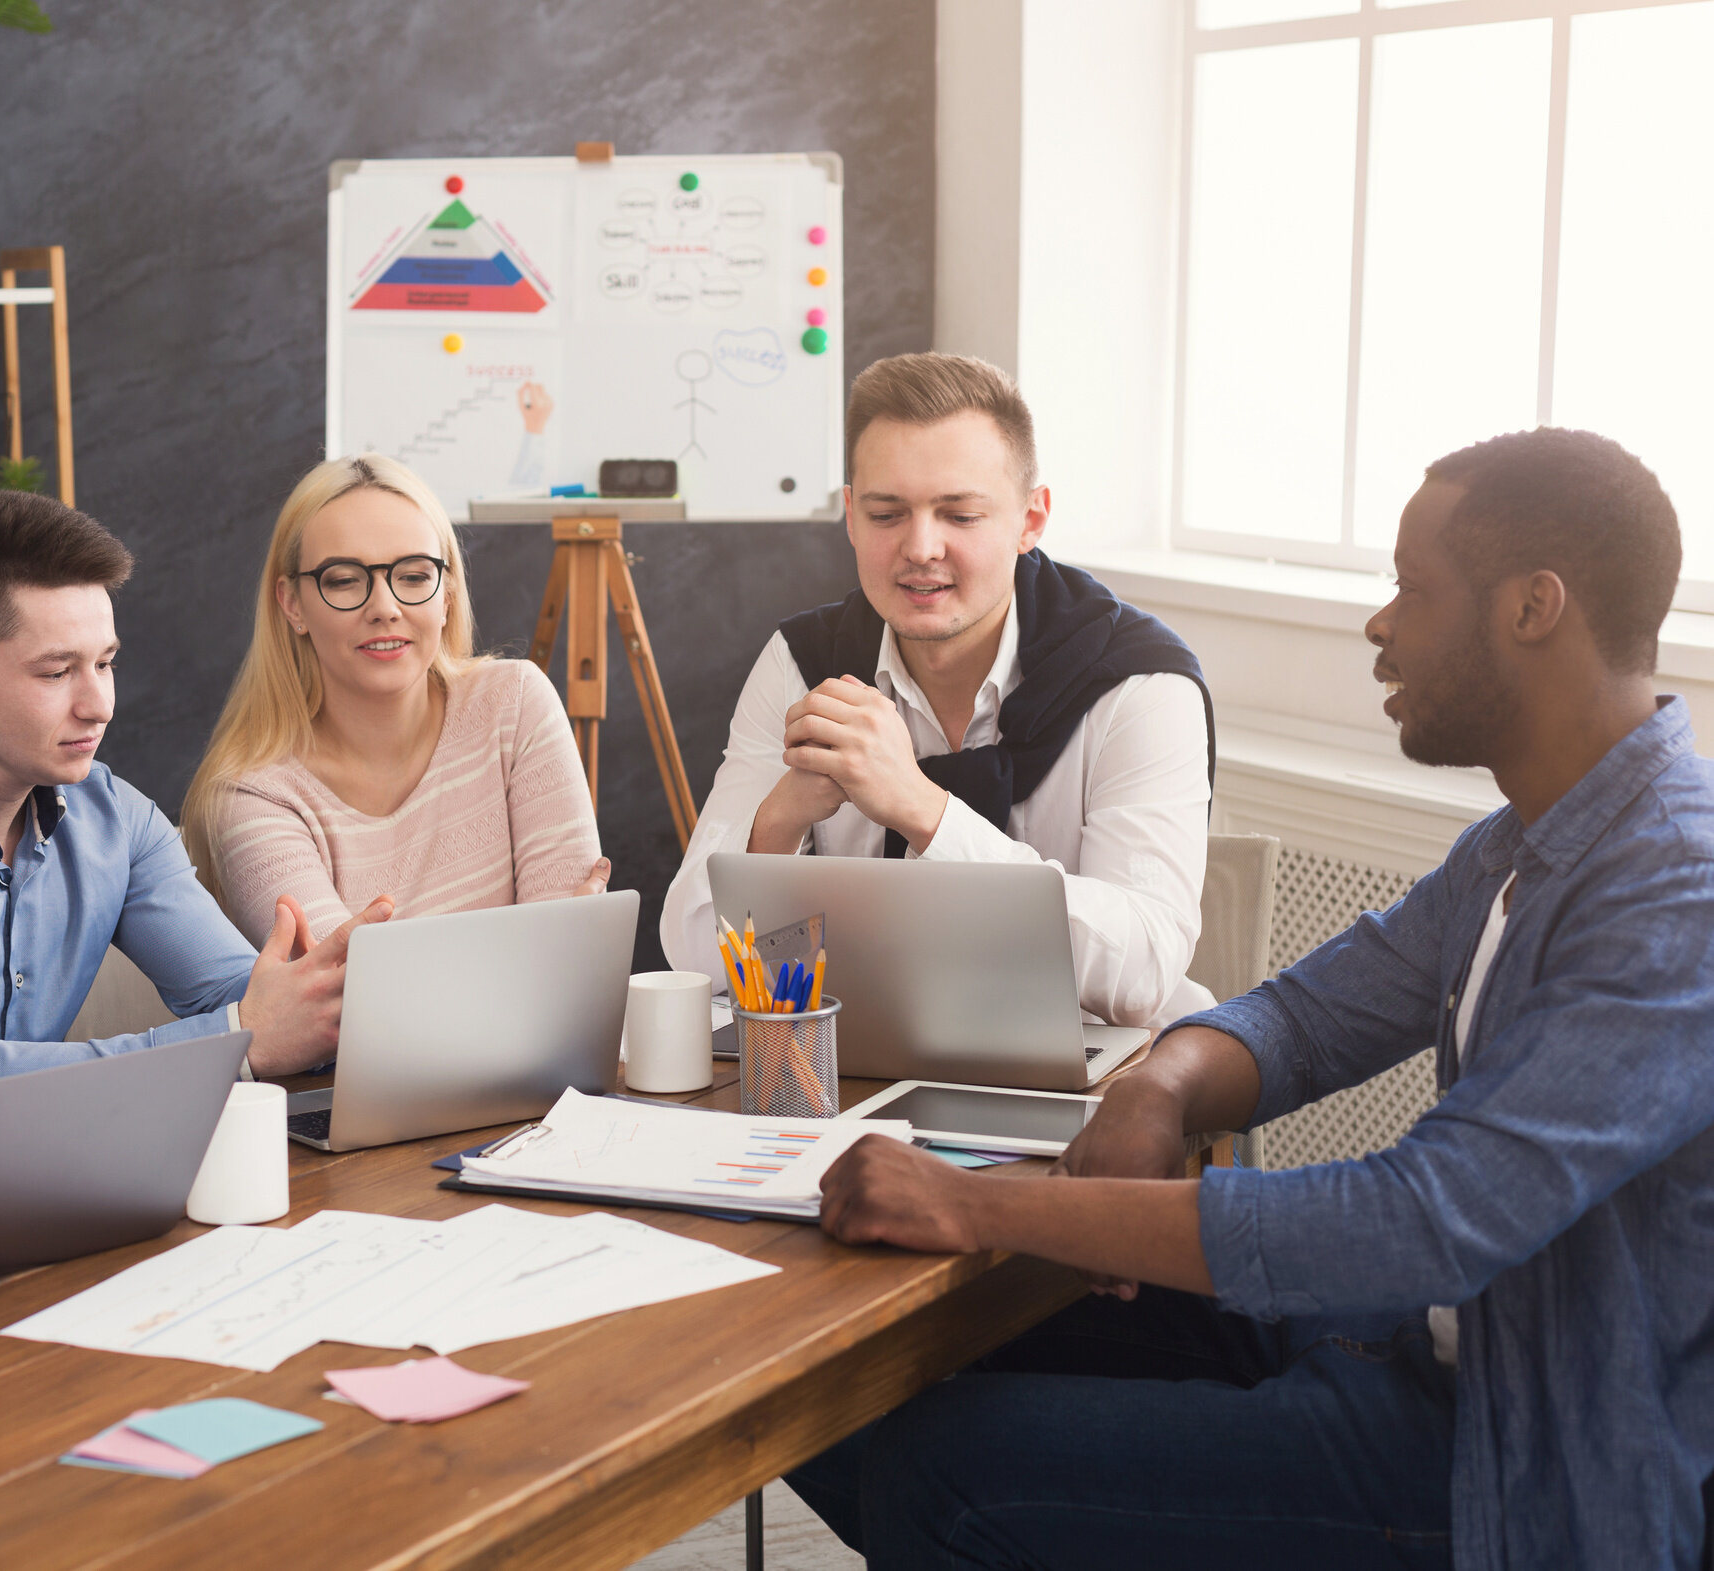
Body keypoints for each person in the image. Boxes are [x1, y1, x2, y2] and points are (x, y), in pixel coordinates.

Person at [787, 428, 1714, 1570]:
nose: (1379, 623)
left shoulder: (1676, 892)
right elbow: (1311, 1014)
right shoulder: (1519, 842)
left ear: (1532, 608)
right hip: (1409, 1351)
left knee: (940, 1468)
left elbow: (1419, 1219)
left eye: (1411, 590)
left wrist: (978, 1206)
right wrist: (1165, 1083)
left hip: (1515, 1460)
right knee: (839, 1399)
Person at [0, 492, 390, 1214]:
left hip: (67, 1200)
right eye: (57, 672)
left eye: (105, 662)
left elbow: (246, 999)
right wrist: (240, 1036)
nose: (100, 704)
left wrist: (340, 1006)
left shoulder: (114, 818)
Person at [660, 353, 1215, 1027]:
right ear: (851, 518)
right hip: (866, 1076)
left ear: (1031, 519)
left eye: (959, 514)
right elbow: (694, 965)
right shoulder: (803, 665)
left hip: (1099, 1088)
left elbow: (1143, 973)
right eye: (888, 513)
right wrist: (779, 822)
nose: (921, 547)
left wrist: (921, 807)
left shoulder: (1138, 683)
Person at [182, 453, 606, 947]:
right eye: (343, 579)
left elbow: (570, 976)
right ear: (292, 604)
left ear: (446, 594)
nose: (385, 608)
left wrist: (553, 958)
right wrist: (535, 953)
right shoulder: (249, 796)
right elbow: (350, 1000)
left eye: (413, 576)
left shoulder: (515, 706)